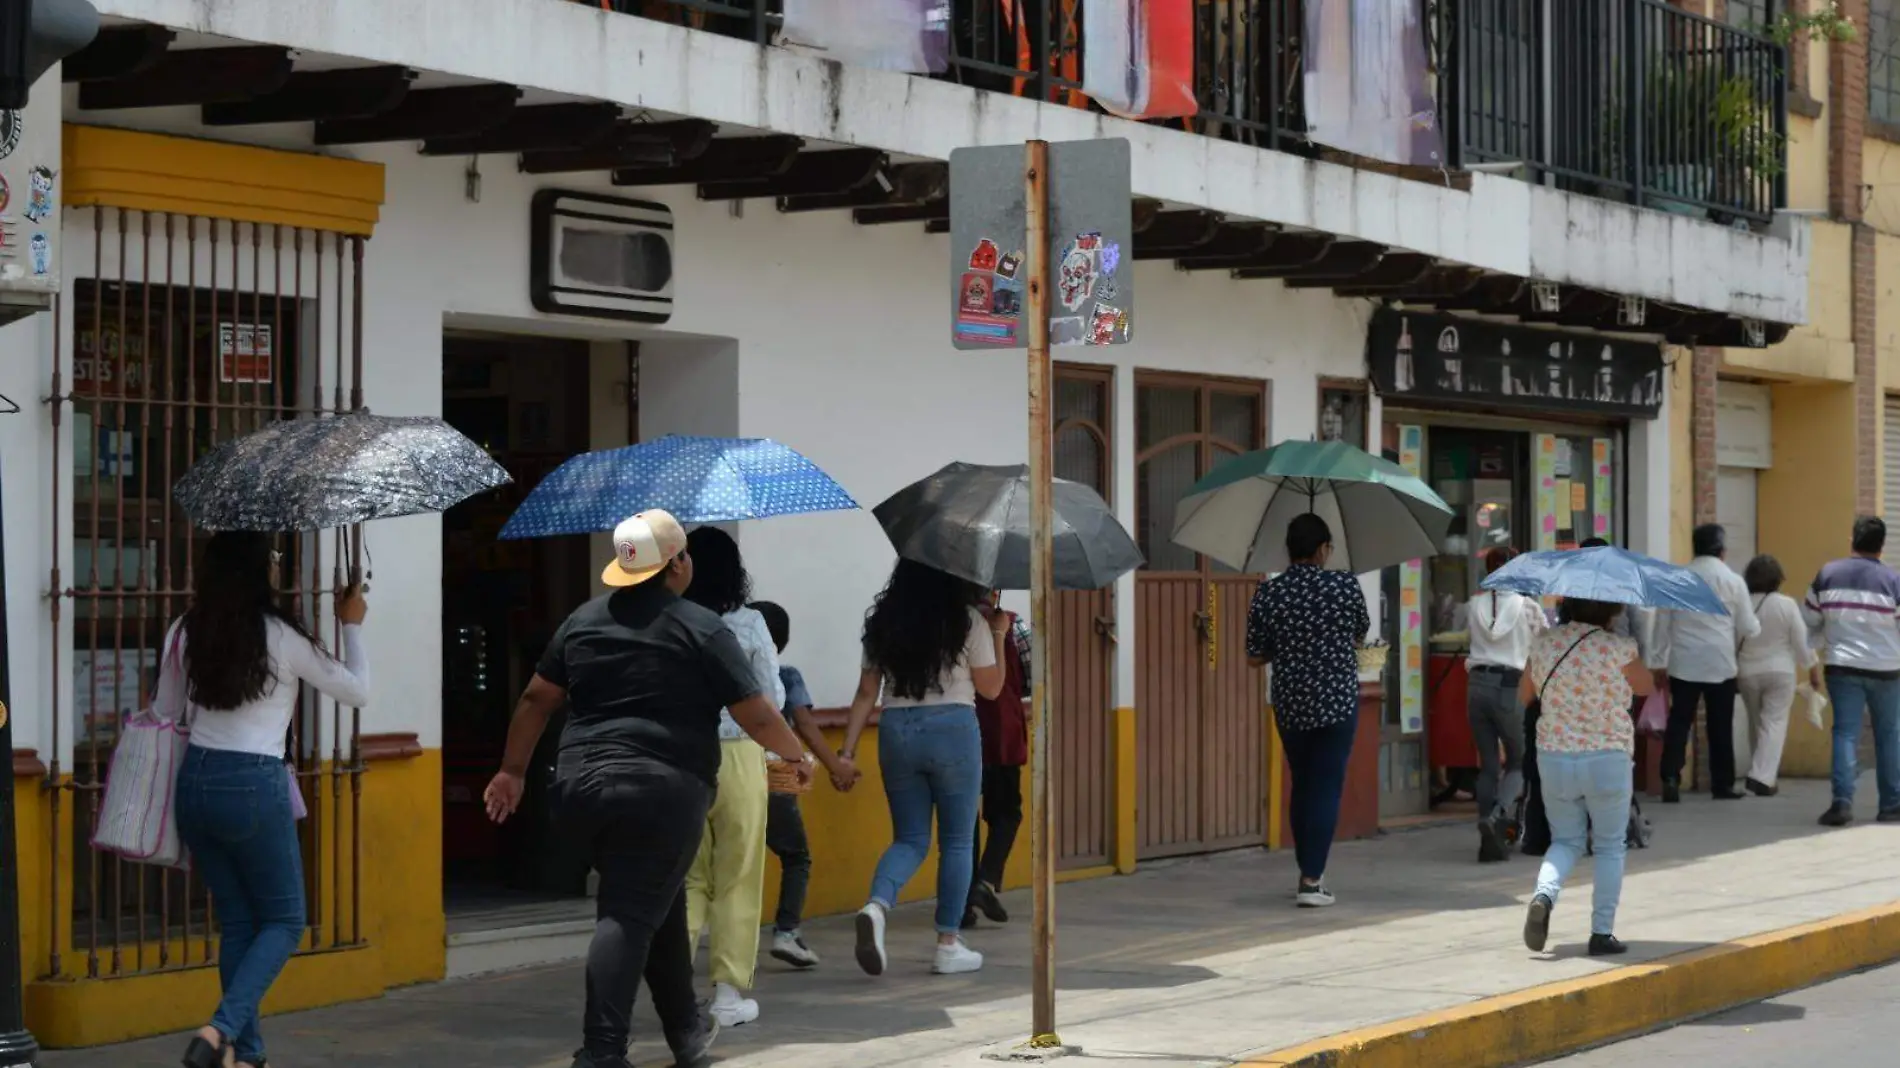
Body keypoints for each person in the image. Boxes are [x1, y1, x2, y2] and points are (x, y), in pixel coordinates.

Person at [482, 511, 810, 1068]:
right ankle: (601, 1050)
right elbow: (754, 711)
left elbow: (537, 699)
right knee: (628, 912)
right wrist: (796, 754)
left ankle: (686, 1030)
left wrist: (511, 771)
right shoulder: (700, 626)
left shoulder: (582, 621)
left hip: (581, 786)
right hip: (662, 789)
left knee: (658, 896)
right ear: (677, 563)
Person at [171, 532, 370, 1068]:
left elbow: (166, 709)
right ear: (260, 570)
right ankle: (220, 1030)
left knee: (239, 922)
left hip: (194, 783)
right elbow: (357, 690)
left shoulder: (187, 630)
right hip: (252, 782)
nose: (279, 566)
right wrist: (350, 622)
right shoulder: (280, 635)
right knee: (285, 920)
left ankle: (249, 1055)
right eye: (275, 559)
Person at [839, 560, 1007, 976]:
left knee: (910, 838)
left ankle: (877, 907)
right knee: (956, 842)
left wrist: (845, 752)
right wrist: (999, 633)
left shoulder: (883, 623)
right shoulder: (968, 620)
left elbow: (865, 692)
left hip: (897, 730)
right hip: (953, 729)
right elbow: (991, 688)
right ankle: (948, 944)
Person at [679, 526, 783, 1027]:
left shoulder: (671, 621)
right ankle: (726, 995)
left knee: (688, 876)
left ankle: (673, 990)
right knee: (738, 875)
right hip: (740, 754)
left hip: (683, 755)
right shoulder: (749, 624)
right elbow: (772, 699)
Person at [1245, 513, 1370, 908]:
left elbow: (1253, 655)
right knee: (1326, 786)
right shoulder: (1344, 585)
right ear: (1322, 549)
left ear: (1289, 549)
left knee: (1302, 782)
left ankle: (1307, 870)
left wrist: (1287, 647)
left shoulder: (1270, 593)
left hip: (1291, 702)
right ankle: (1312, 880)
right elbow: (1360, 633)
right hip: (1336, 700)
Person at [1519, 596, 1653, 957]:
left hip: (1555, 758)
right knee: (1610, 846)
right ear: (1612, 611)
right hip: (1607, 758)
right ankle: (1601, 933)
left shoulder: (1545, 644)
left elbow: (1524, 695)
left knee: (1565, 841)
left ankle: (1544, 894)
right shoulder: (1621, 648)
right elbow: (1645, 687)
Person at [749, 600, 856, 969]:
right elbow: (806, 728)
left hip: (727, 775)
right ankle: (786, 932)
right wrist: (835, 768)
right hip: (775, 779)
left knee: (729, 863)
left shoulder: (729, 674)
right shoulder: (786, 676)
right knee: (796, 856)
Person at [1802, 516, 1900, 827]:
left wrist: (1821, 646)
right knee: (1890, 735)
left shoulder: (1827, 575)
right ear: (1881, 546)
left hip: (1842, 667)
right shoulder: (1894, 581)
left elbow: (1809, 621)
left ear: (1852, 540)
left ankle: (1842, 803)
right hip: (1887, 669)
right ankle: (1892, 806)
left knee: (1845, 733)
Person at [1652, 524, 1760, 802]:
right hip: (1720, 662)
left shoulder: (1675, 579)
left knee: (1679, 721)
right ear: (1722, 551)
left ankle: (1671, 777)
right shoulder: (1734, 581)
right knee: (1720, 725)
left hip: (1683, 662)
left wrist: (1657, 660)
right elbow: (1749, 626)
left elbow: (1662, 623)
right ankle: (1722, 785)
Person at [1466, 546, 1543, 863]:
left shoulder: (1473, 604)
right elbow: (1544, 645)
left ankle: (1488, 839)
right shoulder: (1527, 607)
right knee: (1517, 760)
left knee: (1487, 764)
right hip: (1510, 687)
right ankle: (1497, 815)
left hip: (1476, 686)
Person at [965, 591, 1032, 928]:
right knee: (1006, 813)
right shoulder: (1015, 627)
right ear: (993, 592)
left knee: (963, 823)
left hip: (961, 732)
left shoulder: (952, 624)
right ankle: (985, 881)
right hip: (1002, 733)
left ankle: (961, 904)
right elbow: (1030, 678)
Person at [1736, 554, 1818, 798]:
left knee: (1756, 722)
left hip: (1747, 671)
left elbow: (1731, 639)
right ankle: (1762, 776)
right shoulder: (1786, 604)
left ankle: (1761, 773)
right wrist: (1812, 668)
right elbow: (1802, 642)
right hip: (1780, 671)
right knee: (1774, 723)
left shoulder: (1741, 605)